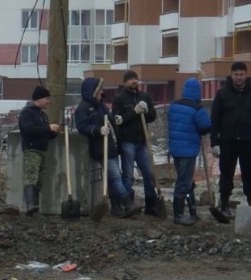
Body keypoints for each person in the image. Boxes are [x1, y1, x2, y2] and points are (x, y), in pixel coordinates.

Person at [74, 77, 137, 218]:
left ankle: (117, 206)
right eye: (99, 89)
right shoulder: (84, 108)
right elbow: (82, 126)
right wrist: (97, 130)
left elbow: (110, 122)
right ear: (93, 91)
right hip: (100, 147)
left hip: (111, 146)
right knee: (115, 177)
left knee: (113, 178)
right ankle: (127, 203)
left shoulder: (101, 106)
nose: (102, 92)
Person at [211, 61, 251, 220]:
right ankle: (225, 204)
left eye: (241, 74)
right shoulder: (222, 94)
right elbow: (215, 119)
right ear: (231, 75)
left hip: (249, 142)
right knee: (226, 174)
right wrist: (214, 142)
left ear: (246, 75)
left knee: (249, 174)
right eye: (236, 74)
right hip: (228, 141)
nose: (239, 77)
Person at [112, 70, 162, 214]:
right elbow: (118, 120)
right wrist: (134, 112)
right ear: (125, 82)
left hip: (142, 141)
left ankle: (150, 204)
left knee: (148, 173)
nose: (133, 81)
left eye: (135, 78)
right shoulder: (119, 99)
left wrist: (146, 112)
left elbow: (152, 116)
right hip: (128, 140)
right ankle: (127, 204)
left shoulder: (144, 96)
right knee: (128, 174)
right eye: (130, 79)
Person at [167, 77, 213, 226]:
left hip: (175, 149)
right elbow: (205, 126)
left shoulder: (174, 106)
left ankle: (193, 211)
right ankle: (178, 215)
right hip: (188, 150)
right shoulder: (197, 108)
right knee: (183, 182)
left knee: (186, 180)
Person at [17, 85, 61, 216]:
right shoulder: (27, 113)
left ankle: (35, 205)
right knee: (31, 176)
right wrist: (48, 128)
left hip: (42, 150)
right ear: (39, 98)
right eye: (47, 98)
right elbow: (29, 130)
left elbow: (45, 134)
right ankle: (31, 205)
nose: (49, 101)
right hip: (32, 150)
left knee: (39, 179)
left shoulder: (43, 115)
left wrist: (54, 132)